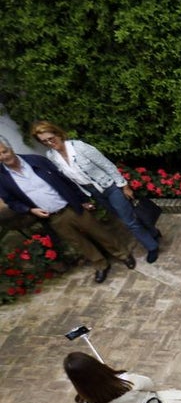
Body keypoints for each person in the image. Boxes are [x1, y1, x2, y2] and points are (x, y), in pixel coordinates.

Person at [0, 136, 135, 283]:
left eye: (4, 151)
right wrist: (30, 210)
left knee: (99, 232)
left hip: (71, 206)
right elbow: (11, 201)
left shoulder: (36, 160)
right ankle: (100, 264)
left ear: (10, 148)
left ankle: (123, 255)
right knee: (78, 242)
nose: (3, 157)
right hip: (52, 217)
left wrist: (82, 201)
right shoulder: (2, 177)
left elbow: (66, 180)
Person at [31, 121, 162, 263]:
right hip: (94, 192)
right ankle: (153, 232)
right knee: (123, 215)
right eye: (44, 141)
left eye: (51, 138)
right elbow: (69, 181)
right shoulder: (52, 156)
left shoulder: (79, 147)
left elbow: (107, 165)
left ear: (58, 134)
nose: (50, 143)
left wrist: (124, 186)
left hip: (110, 187)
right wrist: (83, 199)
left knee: (128, 221)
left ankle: (152, 247)